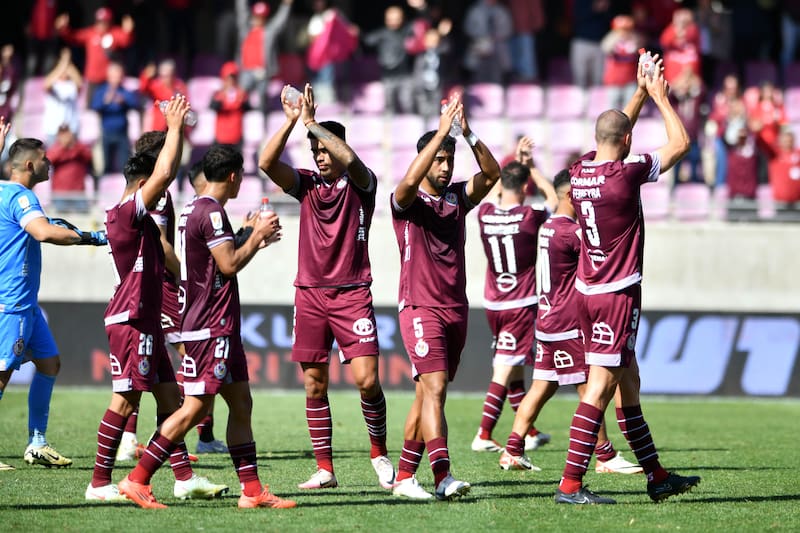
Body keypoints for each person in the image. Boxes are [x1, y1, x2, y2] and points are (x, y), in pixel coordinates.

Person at [554, 54, 700, 504]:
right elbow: (680, 145)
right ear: (629, 141)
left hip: (588, 289)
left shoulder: (580, 172)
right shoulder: (625, 176)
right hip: (617, 294)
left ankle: (656, 475)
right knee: (600, 388)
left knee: (628, 381)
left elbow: (616, 134)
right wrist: (658, 96)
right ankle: (571, 485)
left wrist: (636, 94)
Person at [118, 144, 295, 510]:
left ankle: (252, 491)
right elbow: (228, 265)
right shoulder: (211, 212)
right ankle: (137, 479)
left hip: (219, 325)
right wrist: (258, 237)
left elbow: (212, 263)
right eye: (241, 177)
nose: (240, 183)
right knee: (193, 410)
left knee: (241, 403)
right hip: (209, 326)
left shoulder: (194, 208)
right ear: (233, 176)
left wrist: (250, 236)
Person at [87, 97, 228, 502]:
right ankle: (98, 484)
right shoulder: (127, 211)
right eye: (156, 183)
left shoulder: (137, 214)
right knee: (126, 399)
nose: (162, 188)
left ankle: (183, 479)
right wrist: (174, 127)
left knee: (170, 399)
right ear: (143, 182)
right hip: (130, 317)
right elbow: (164, 171)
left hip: (145, 316)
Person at [257, 83, 394, 491]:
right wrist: (290, 123)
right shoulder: (306, 184)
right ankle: (325, 469)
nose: (320, 157)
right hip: (310, 295)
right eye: (315, 152)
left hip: (352, 293)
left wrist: (312, 123)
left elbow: (351, 159)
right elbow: (266, 162)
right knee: (315, 383)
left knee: (368, 380)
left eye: (324, 149)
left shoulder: (361, 184)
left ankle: (379, 452)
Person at [389, 95, 501, 500]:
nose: (445, 165)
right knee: (434, 388)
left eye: (449, 158)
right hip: (420, 307)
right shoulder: (407, 203)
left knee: (428, 395)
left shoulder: (456, 198)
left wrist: (465, 133)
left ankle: (404, 477)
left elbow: (492, 173)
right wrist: (439, 134)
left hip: (456, 308)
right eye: (438, 158)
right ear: (425, 159)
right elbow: (404, 184)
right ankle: (442, 476)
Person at [498, 170, 642, 476]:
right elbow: (598, 262)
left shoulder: (548, 226)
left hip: (546, 318)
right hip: (567, 322)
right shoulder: (572, 233)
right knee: (591, 389)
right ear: (568, 195)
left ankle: (512, 449)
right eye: (579, 194)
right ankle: (605, 456)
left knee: (541, 387)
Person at [0, 124, 108, 471]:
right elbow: (43, 231)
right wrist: (90, 237)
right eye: (45, 159)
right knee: (1, 375)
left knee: (49, 363)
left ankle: (37, 442)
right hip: (11, 302)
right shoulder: (21, 197)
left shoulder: (3, 191)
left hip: (25, 304)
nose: (50, 163)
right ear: (30, 166)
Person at [115, 133, 226, 461]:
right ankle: (179, 434)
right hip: (163, 286)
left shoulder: (140, 194)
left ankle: (151, 440)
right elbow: (163, 244)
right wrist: (185, 276)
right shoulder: (157, 196)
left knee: (155, 365)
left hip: (148, 284)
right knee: (191, 353)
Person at [470, 154, 557, 454]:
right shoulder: (530, 216)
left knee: (516, 367)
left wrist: (513, 167)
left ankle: (528, 431)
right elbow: (555, 199)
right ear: (524, 188)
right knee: (505, 369)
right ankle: (483, 433)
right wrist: (532, 166)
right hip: (520, 302)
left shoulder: (484, 213)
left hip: (494, 302)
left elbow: (496, 192)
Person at [55, 7, 135, 102]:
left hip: (108, 80)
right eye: (99, 21)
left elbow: (126, 41)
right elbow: (73, 38)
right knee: (90, 108)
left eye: (105, 22)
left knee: (108, 105)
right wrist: (63, 29)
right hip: (92, 79)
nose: (101, 24)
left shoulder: (114, 33)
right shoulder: (90, 33)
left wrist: (128, 31)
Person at [239, 0, 293, 113]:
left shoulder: (269, 31)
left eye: (261, 17)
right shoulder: (245, 29)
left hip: (262, 71)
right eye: (256, 16)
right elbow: (242, 11)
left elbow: (280, 20)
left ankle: (263, 124)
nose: (258, 19)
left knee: (263, 98)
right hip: (246, 70)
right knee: (241, 98)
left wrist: (286, 5)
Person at [363, 6, 414, 114]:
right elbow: (367, 40)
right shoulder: (381, 33)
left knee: (408, 104)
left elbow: (422, 25)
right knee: (389, 106)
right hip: (387, 75)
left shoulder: (407, 31)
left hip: (405, 75)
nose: (394, 22)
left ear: (403, 19)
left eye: (397, 18)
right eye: (390, 19)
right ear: (386, 19)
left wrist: (421, 8)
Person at [91, 61, 139, 174]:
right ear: (108, 76)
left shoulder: (125, 91)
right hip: (106, 132)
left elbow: (135, 104)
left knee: (124, 165)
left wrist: (124, 102)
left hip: (122, 133)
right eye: (114, 76)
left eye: (118, 76)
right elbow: (95, 106)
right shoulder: (102, 91)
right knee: (105, 165)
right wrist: (106, 102)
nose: (116, 79)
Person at [463, 0, 513, 84]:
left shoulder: (501, 11)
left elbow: (507, 29)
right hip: (480, 43)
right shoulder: (475, 11)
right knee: (474, 60)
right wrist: (481, 36)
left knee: (502, 60)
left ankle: (501, 83)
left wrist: (496, 36)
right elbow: (468, 28)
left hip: (497, 44)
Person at [46, 125, 92, 214]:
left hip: (79, 192)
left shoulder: (79, 146)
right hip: (60, 193)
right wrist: (63, 148)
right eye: (62, 133)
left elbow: (88, 156)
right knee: (61, 221)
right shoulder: (55, 148)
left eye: (67, 133)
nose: (65, 136)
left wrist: (73, 147)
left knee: (83, 219)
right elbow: (49, 160)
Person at [43, 48, 82, 145]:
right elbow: (46, 85)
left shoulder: (72, 84)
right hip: (53, 130)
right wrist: (63, 63)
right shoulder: (53, 83)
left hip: (71, 129)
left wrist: (67, 61)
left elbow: (80, 84)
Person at [139, 59, 189, 132]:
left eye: (167, 76)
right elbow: (143, 89)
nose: (164, 79)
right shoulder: (156, 85)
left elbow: (186, 103)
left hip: (176, 124)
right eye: (162, 76)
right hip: (159, 125)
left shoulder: (179, 86)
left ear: (173, 75)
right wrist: (146, 76)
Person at [210, 62, 251, 149]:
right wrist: (222, 95)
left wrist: (242, 99)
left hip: (236, 137)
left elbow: (248, 108)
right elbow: (213, 107)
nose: (230, 81)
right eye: (228, 78)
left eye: (233, 78)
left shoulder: (241, 94)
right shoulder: (218, 94)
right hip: (220, 137)